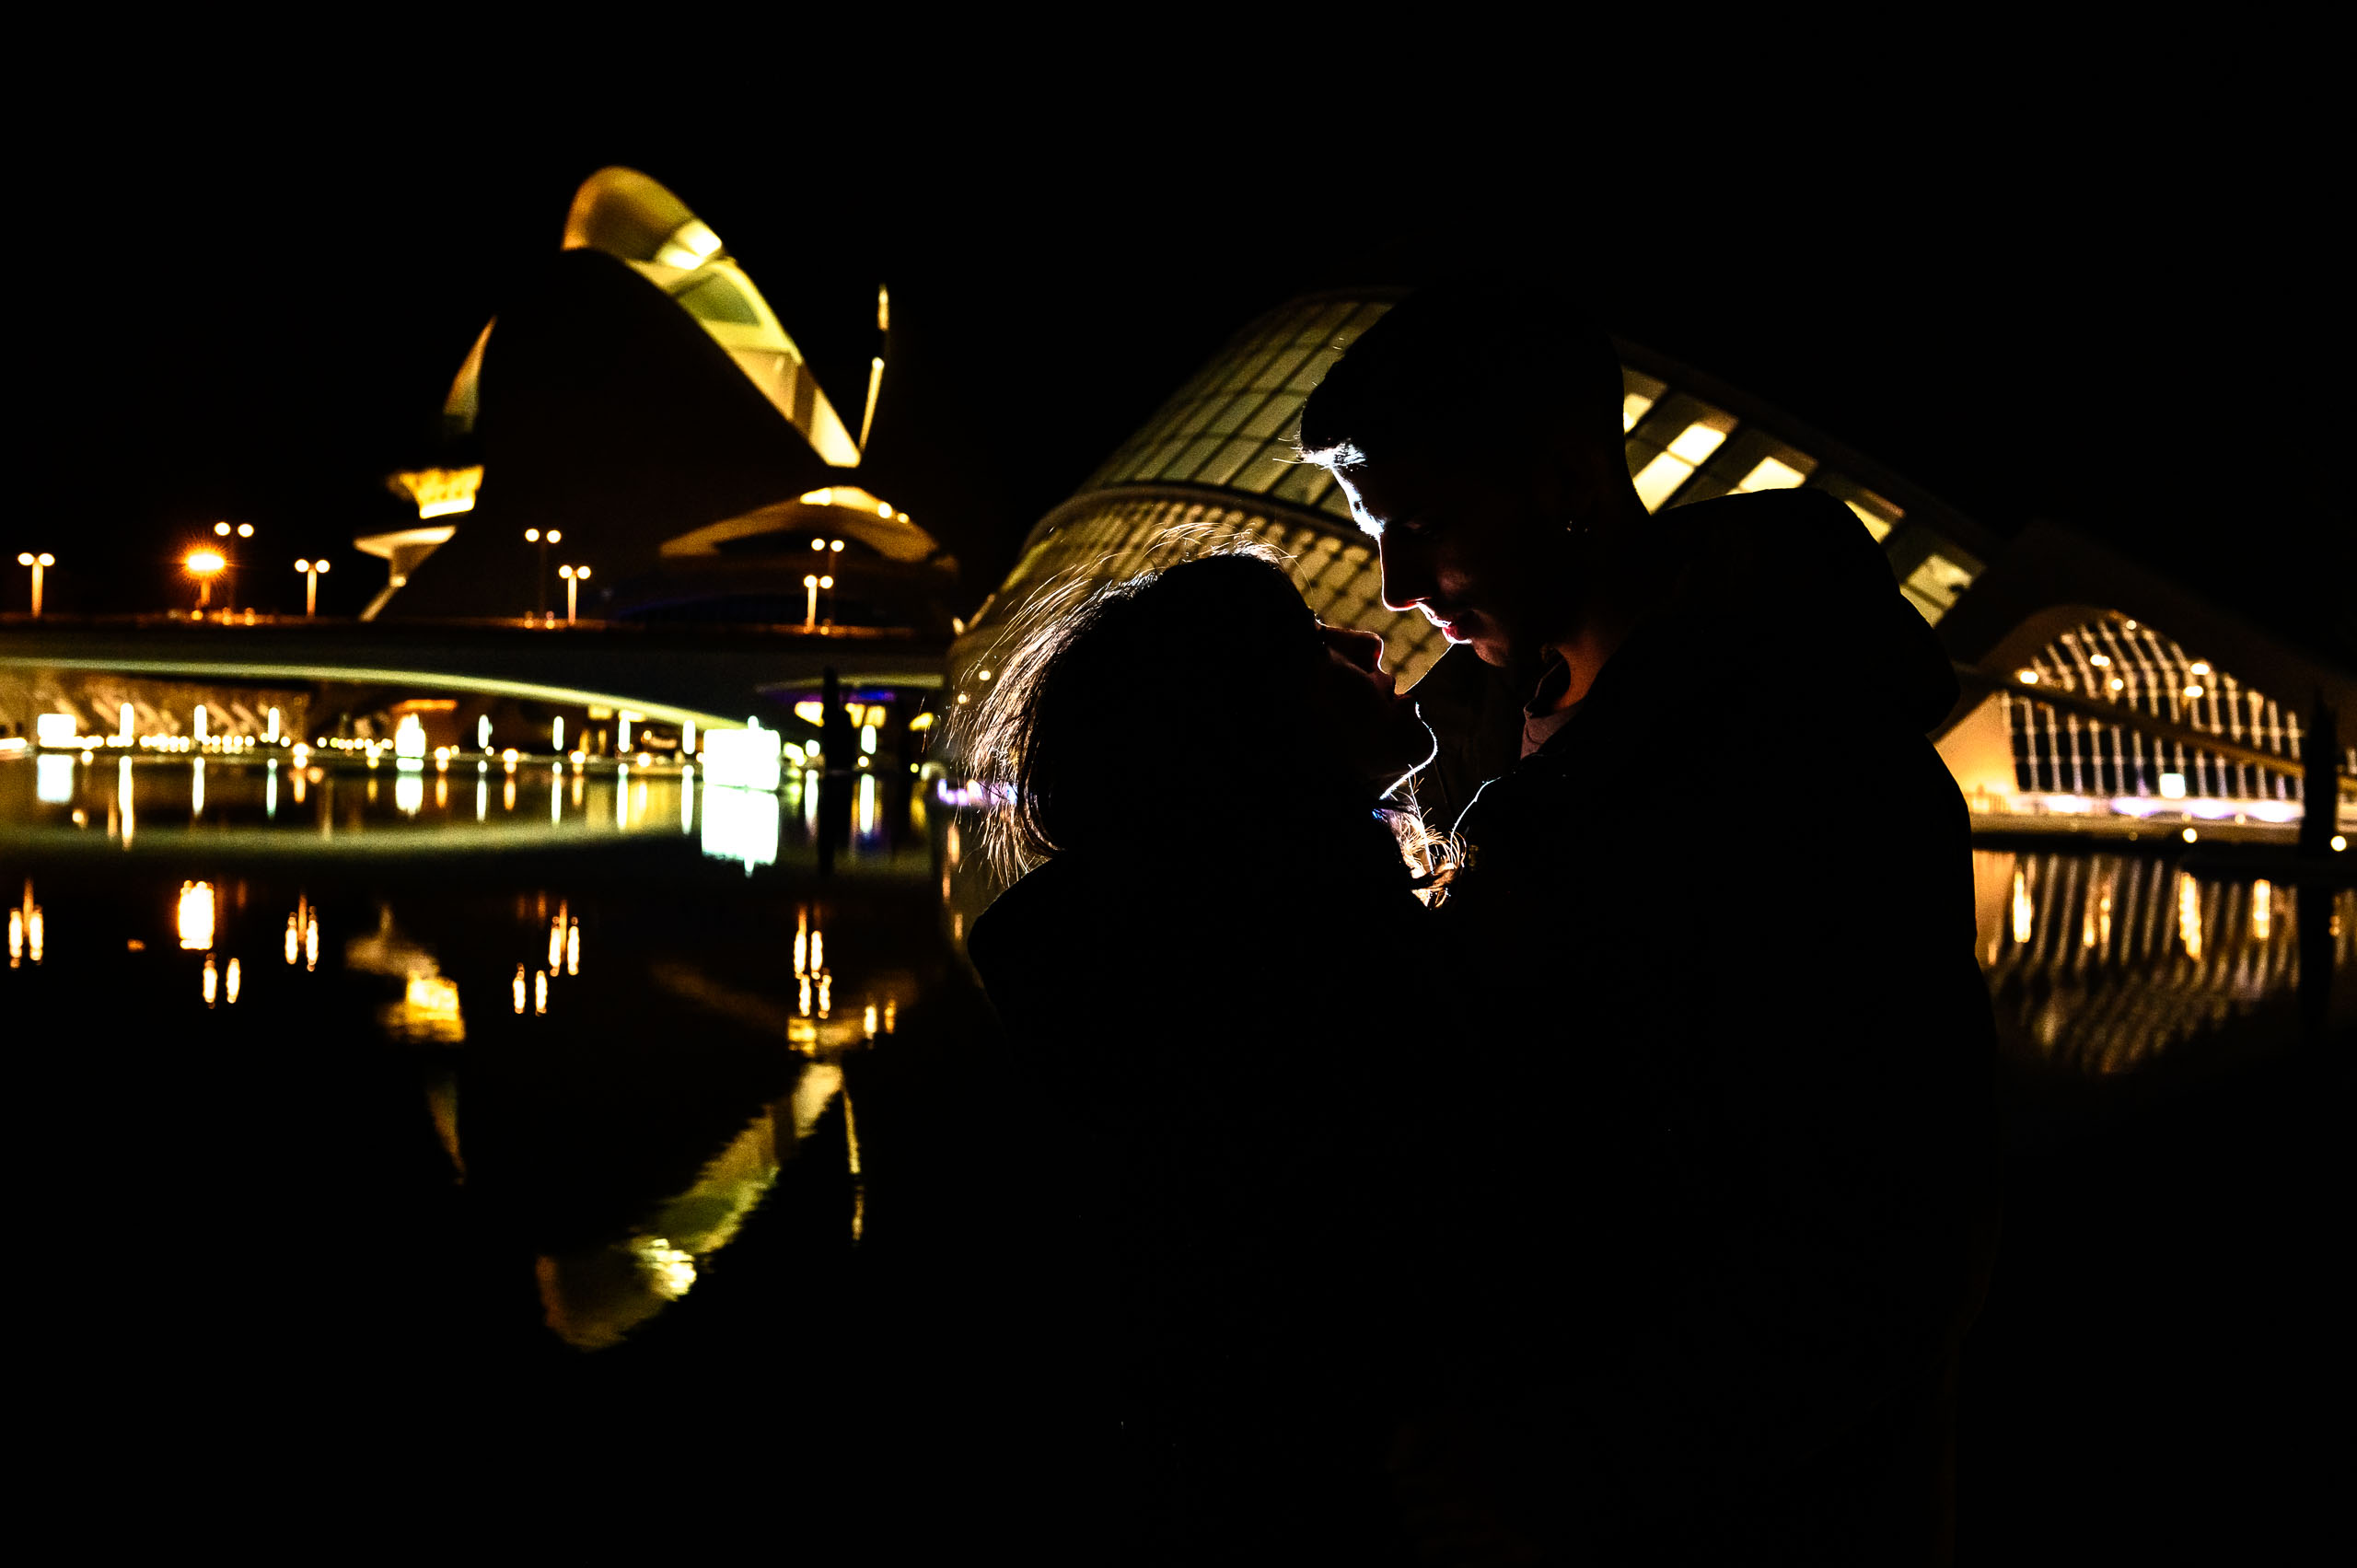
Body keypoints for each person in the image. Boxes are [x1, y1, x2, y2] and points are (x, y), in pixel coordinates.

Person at [1295, 284, 2001, 1565]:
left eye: (1422, 523)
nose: (1395, 585)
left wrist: (1585, 1459)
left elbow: (1884, 1239)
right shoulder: (1503, 721)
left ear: (1565, 472)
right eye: (1373, 530)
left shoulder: (1805, 760)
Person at [953, 548, 1449, 1562]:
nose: (1365, 634)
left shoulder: (1117, 949)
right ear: (1242, 713)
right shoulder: (1314, 957)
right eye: (1311, 640)